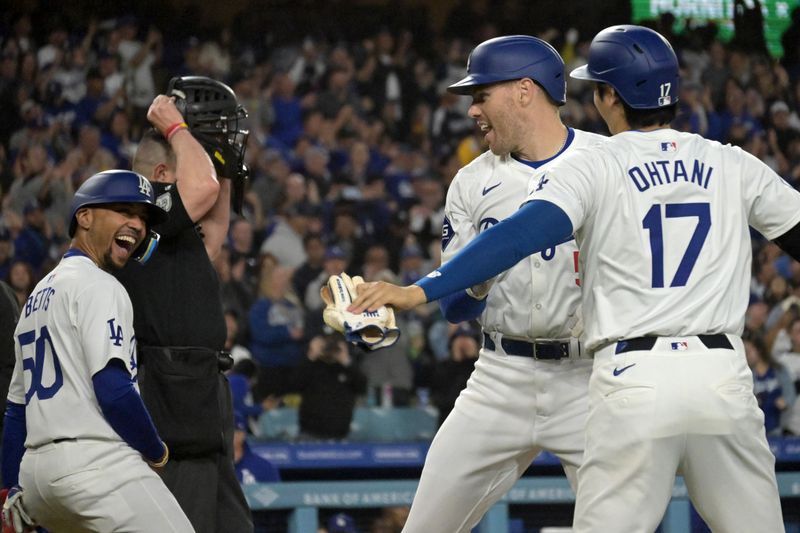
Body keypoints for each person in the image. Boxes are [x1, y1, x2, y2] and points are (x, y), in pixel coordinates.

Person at [350, 25, 800, 532]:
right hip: (703, 371)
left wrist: (416, 290)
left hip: (609, 374)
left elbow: (521, 233)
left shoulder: (597, 163)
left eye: (481, 94)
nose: (473, 108)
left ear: (610, 96)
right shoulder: (731, 160)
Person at [397, 35, 605, 532]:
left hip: (589, 379)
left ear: (524, 90)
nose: (472, 110)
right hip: (499, 378)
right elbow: (453, 312)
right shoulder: (471, 181)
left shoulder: (607, 162)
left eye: (481, 94)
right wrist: (478, 280)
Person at [0, 170, 193, 532]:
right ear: (84, 217)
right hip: (94, 465)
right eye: (123, 210)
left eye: (142, 218)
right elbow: (114, 390)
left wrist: (7, 490)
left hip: (37, 480)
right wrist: (156, 450)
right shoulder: (100, 286)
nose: (136, 224)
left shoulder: (36, 297)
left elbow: (16, 412)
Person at [113, 79, 253, 533]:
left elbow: (211, 236)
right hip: (171, 391)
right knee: (184, 519)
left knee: (229, 521)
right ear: (160, 177)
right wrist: (175, 128)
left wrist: (225, 166)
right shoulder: (138, 212)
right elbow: (201, 190)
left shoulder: (171, 231)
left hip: (203, 386)